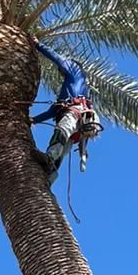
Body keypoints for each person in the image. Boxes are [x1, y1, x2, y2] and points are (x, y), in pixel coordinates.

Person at [32, 43, 103, 180]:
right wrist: (32, 120)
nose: (61, 70)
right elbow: (51, 112)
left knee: (62, 130)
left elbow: (57, 58)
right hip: (78, 123)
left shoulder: (75, 70)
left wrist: (37, 45)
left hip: (75, 113)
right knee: (64, 148)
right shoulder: (68, 94)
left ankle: (49, 157)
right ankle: (50, 176)